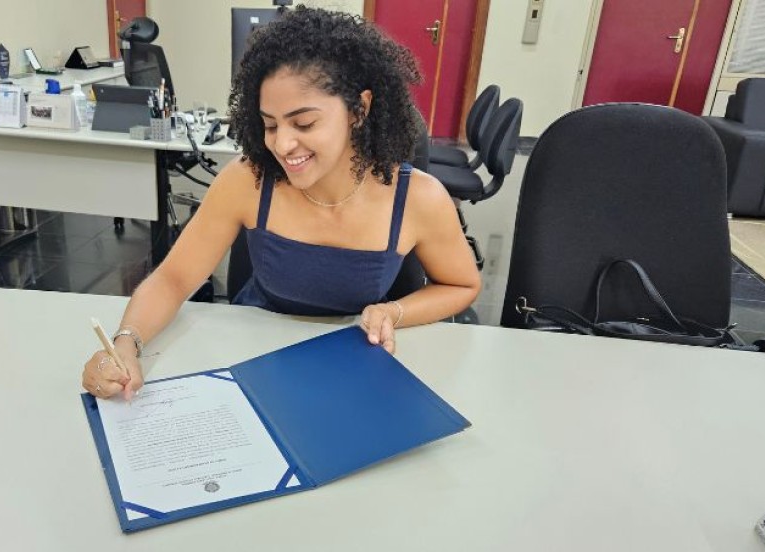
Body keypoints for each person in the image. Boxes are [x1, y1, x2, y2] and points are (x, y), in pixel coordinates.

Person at [82, 6, 481, 400]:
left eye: (304, 123)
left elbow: (461, 284)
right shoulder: (248, 181)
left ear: (359, 110)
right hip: (259, 361)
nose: (283, 144)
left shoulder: (417, 198)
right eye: (270, 124)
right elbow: (174, 279)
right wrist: (125, 343)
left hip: (356, 369)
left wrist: (394, 313)